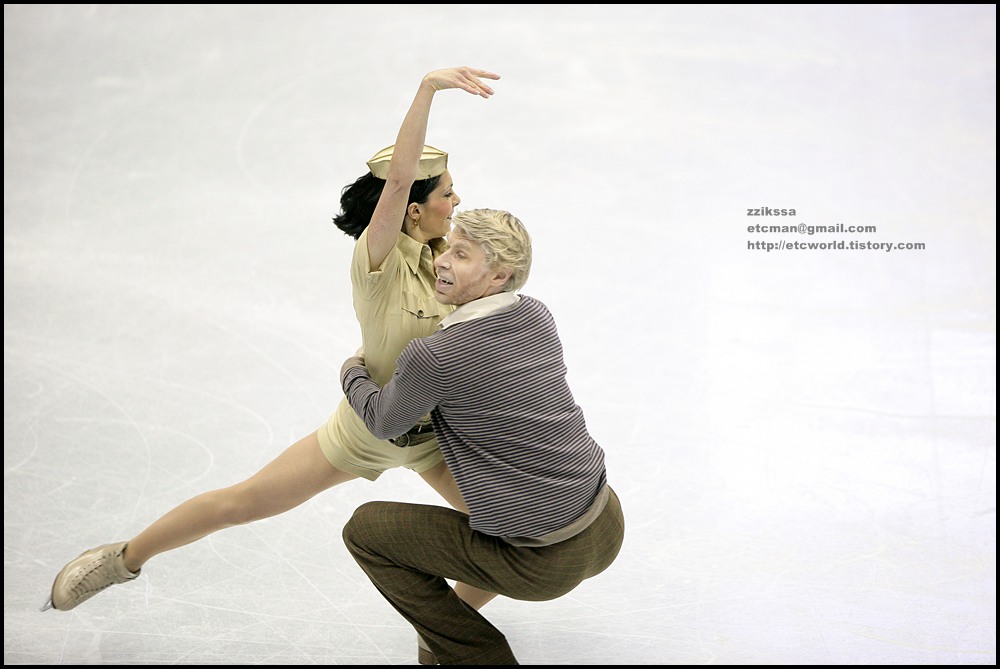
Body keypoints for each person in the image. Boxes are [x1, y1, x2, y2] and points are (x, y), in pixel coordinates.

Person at [44, 67, 503, 654]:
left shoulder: (450, 255)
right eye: (445, 193)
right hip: (365, 429)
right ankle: (121, 558)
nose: (457, 200)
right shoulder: (379, 263)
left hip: (434, 438)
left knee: (511, 533)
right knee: (244, 502)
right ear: (413, 209)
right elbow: (393, 190)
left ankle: (443, 626)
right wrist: (427, 91)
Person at [339, 208, 626, 665]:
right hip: (607, 522)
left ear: (498, 276)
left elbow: (383, 420)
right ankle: (438, 641)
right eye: (447, 247)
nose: (441, 261)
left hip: (543, 563)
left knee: (366, 531)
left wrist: (354, 369)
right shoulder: (536, 315)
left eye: (461, 254)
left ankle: (478, 655)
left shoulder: (436, 355)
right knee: (489, 523)